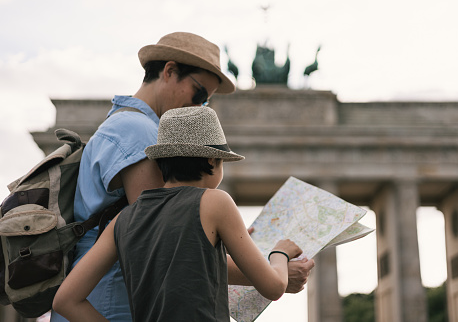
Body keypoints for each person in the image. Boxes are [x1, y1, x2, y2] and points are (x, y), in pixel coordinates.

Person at [50, 32, 314, 321]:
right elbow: (167, 241)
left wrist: (221, 236)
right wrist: (273, 265)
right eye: (199, 95)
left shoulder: (128, 128)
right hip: (112, 303)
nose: (198, 108)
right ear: (170, 71)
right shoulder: (138, 131)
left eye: (206, 103)